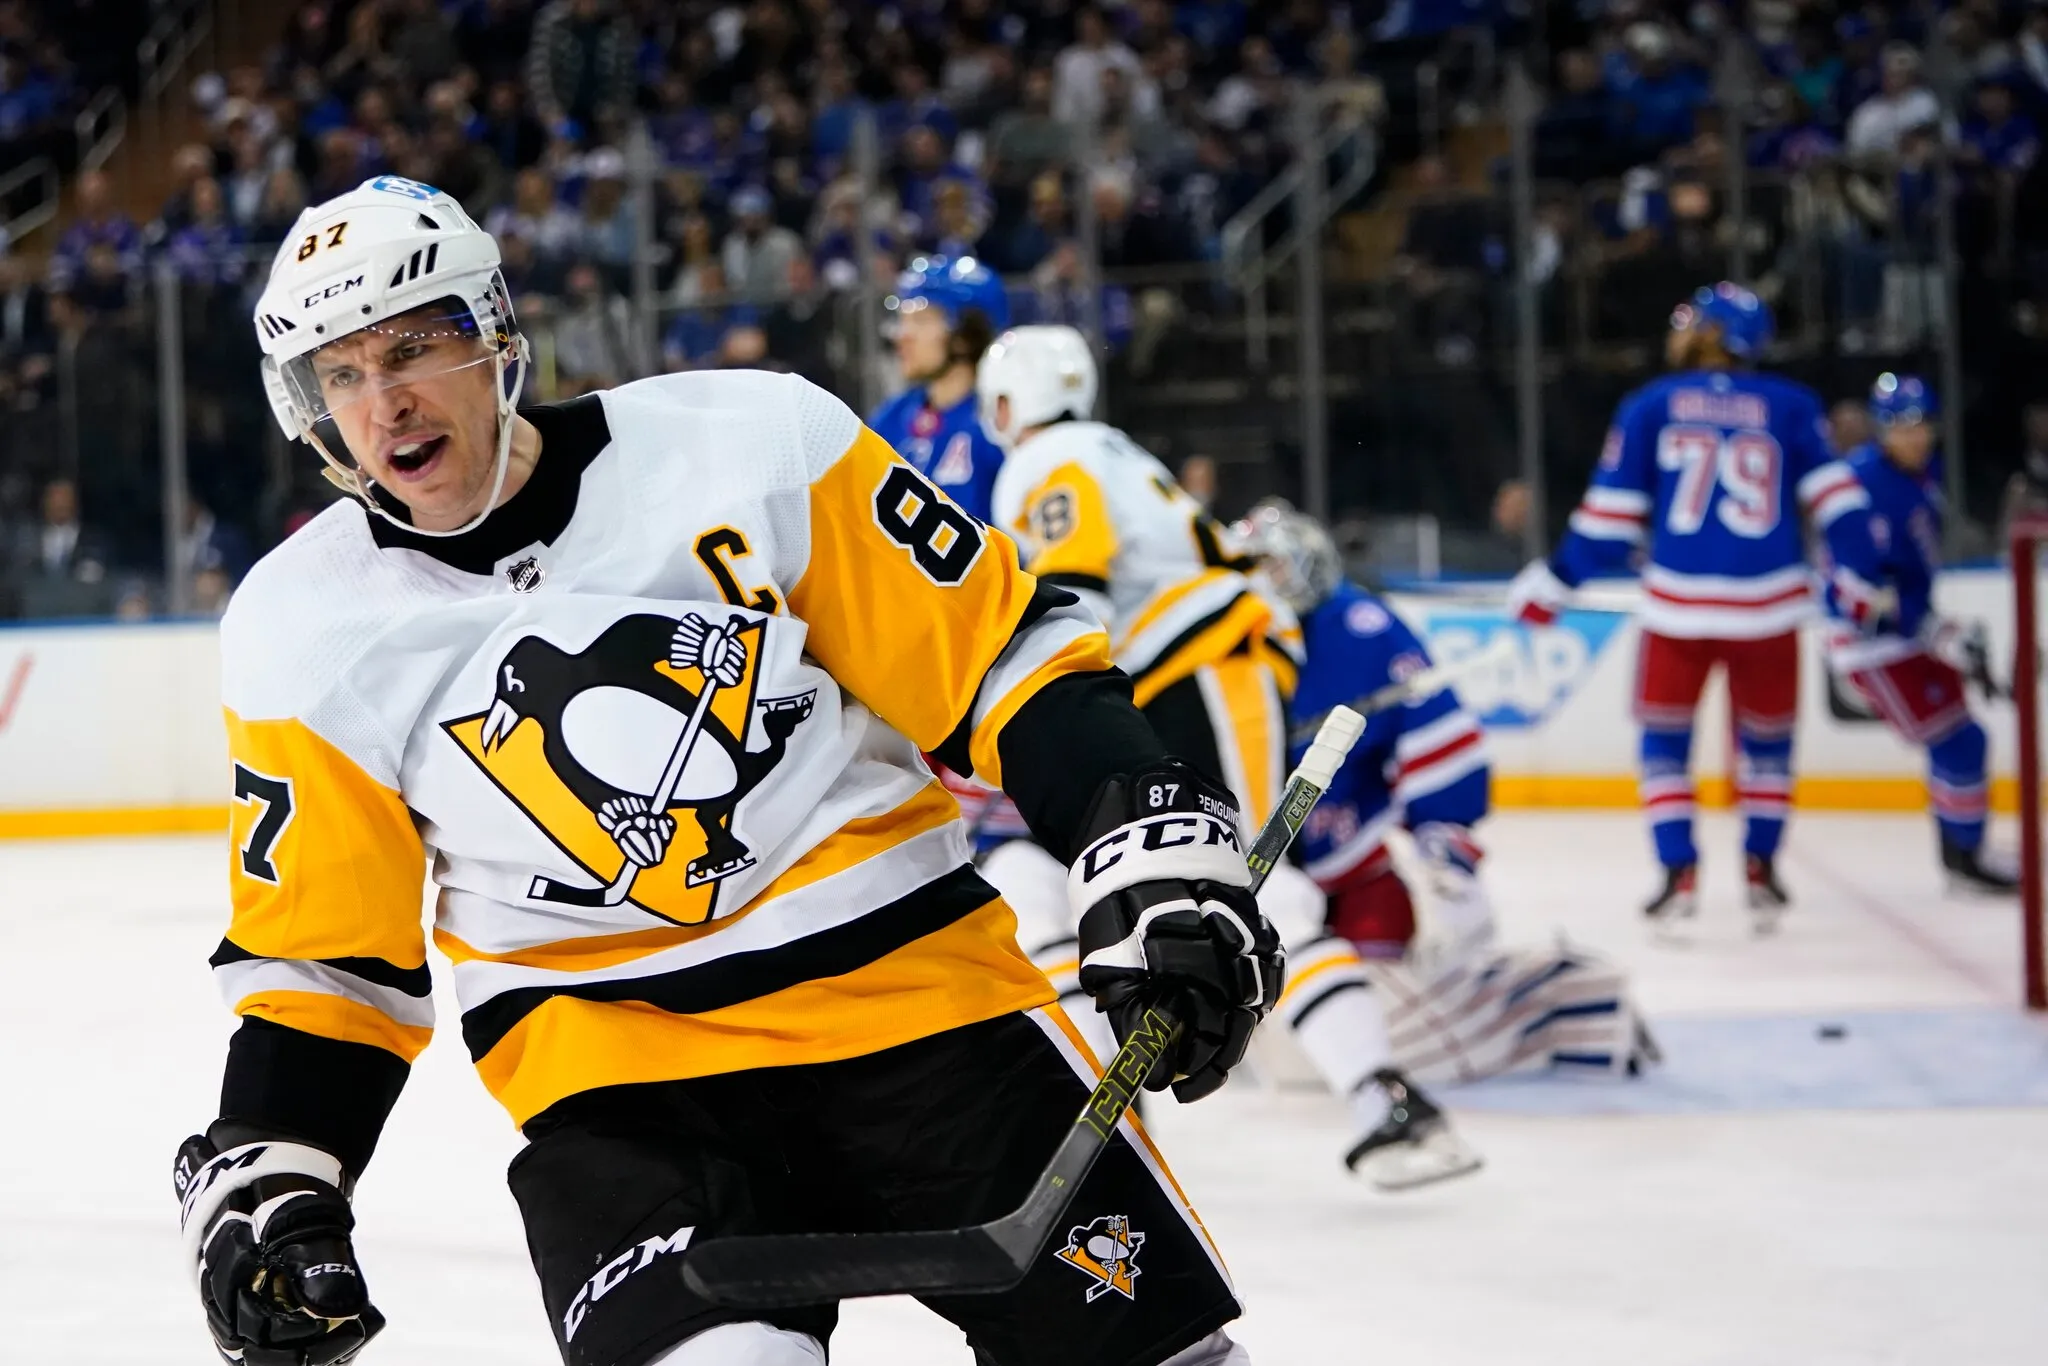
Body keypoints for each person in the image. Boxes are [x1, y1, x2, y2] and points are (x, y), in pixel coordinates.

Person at [174, 176, 1279, 1366]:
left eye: (414, 345)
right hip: (621, 1082)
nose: (383, 404)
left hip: (922, 1006)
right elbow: (330, 957)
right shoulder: (304, 626)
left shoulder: (755, 441)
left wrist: (1148, 841)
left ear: (493, 327)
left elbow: (991, 659)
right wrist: (272, 1160)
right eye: (340, 374)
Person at [977, 325, 1471, 1188]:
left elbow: (1073, 590)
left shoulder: (1049, 458)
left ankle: (1385, 1100)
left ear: (1009, 397)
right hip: (1166, 676)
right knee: (1050, 875)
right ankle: (1112, 1115)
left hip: (1191, 668)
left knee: (1240, 879)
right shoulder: (1108, 449)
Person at [1237, 500, 1655, 1085]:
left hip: (1350, 855)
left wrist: (1444, 844)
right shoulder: (1222, 638)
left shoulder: (1363, 628)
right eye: (1251, 567)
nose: (1263, 581)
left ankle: (1539, 1004)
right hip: (1254, 870)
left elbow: (1434, 728)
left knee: (1370, 1009)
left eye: (1274, 566)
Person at [1508, 283, 1868, 931]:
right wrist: (1866, 575)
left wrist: (1556, 582)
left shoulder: (1652, 404)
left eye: (1697, 323)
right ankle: (1761, 866)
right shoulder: (1792, 405)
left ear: (1718, 334)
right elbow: (1839, 505)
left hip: (1678, 611)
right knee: (1767, 747)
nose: (1683, 332)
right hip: (1770, 610)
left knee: (1664, 746)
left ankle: (1678, 870)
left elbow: (1610, 521)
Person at [1822, 374, 2017, 892]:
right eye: (1901, 426)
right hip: (1871, 647)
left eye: (1922, 425)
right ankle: (1964, 855)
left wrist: (1933, 626)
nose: (1915, 436)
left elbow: (1906, 579)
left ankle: (1960, 850)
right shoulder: (1861, 484)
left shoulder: (1916, 476)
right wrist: (1925, 627)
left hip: (1903, 636)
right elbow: (1856, 592)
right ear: (1881, 429)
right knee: (1960, 739)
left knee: (1959, 737)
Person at [868, 254, 1009, 522]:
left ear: (967, 336)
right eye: (903, 320)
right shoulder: (890, 419)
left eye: (921, 320)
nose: (902, 335)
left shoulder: (1001, 425)